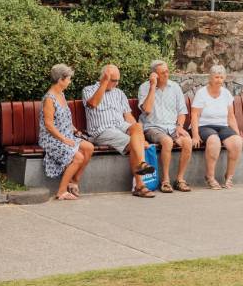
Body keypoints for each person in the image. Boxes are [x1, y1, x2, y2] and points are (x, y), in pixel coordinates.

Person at [82, 64, 156, 198]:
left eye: (118, 81)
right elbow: (93, 104)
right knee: (134, 144)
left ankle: (142, 165)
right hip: (101, 130)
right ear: (104, 78)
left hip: (120, 126)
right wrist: (103, 84)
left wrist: (141, 138)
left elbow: (128, 116)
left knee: (137, 127)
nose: (116, 84)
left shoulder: (119, 93)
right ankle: (140, 185)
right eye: (113, 80)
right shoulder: (89, 90)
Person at [39, 64, 94, 201]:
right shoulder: (49, 99)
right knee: (78, 157)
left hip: (66, 135)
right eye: (68, 78)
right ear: (61, 80)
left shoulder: (61, 94)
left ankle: (74, 181)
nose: (70, 81)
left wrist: (75, 131)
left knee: (89, 147)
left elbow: (65, 119)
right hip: (52, 139)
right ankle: (61, 191)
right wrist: (64, 140)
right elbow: (49, 125)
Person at [138, 60, 192, 194]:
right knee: (167, 141)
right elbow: (147, 109)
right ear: (154, 74)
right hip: (152, 127)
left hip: (172, 127)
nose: (167, 75)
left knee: (187, 141)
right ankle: (165, 180)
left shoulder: (175, 87)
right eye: (163, 73)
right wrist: (153, 86)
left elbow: (182, 111)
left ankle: (179, 179)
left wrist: (179, 126)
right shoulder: (144, 87)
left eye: (167, 71)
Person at [190, 65, 243, 190]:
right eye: (216, 77)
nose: (219, 80)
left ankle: (229, 176)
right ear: (210, 78)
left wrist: (237, 134)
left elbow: (231, 116)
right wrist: (195, 135)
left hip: (222, 126)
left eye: (221, 77)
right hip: (204, 126)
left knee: (236, 143)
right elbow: (195, 115)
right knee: (214, 141)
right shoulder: (201, 93)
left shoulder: (226, 94)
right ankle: (210, 177)